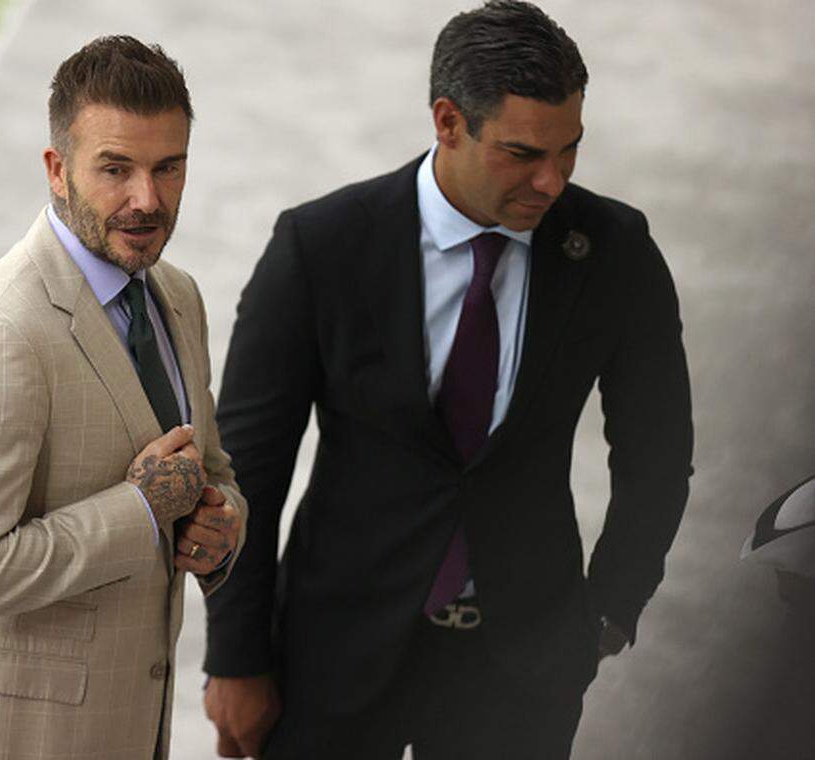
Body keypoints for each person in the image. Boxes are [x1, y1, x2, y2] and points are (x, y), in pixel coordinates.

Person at [201, 2, 693, 758]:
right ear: (447, 121)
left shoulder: (614, 251)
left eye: (570, 151)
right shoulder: (322, 246)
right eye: (524, 152)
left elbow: (657, 451)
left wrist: (611, 612)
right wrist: (235, 660)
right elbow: (244, 470)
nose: (552, 180)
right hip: (332, 660)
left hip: (519, 675)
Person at [0, 36, 246, 760]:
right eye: (116, 169)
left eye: (168, 168)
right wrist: (141, 511)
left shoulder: (177, 297)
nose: (148, 199)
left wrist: (221, 523)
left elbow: (207, 469)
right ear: (57, 170)